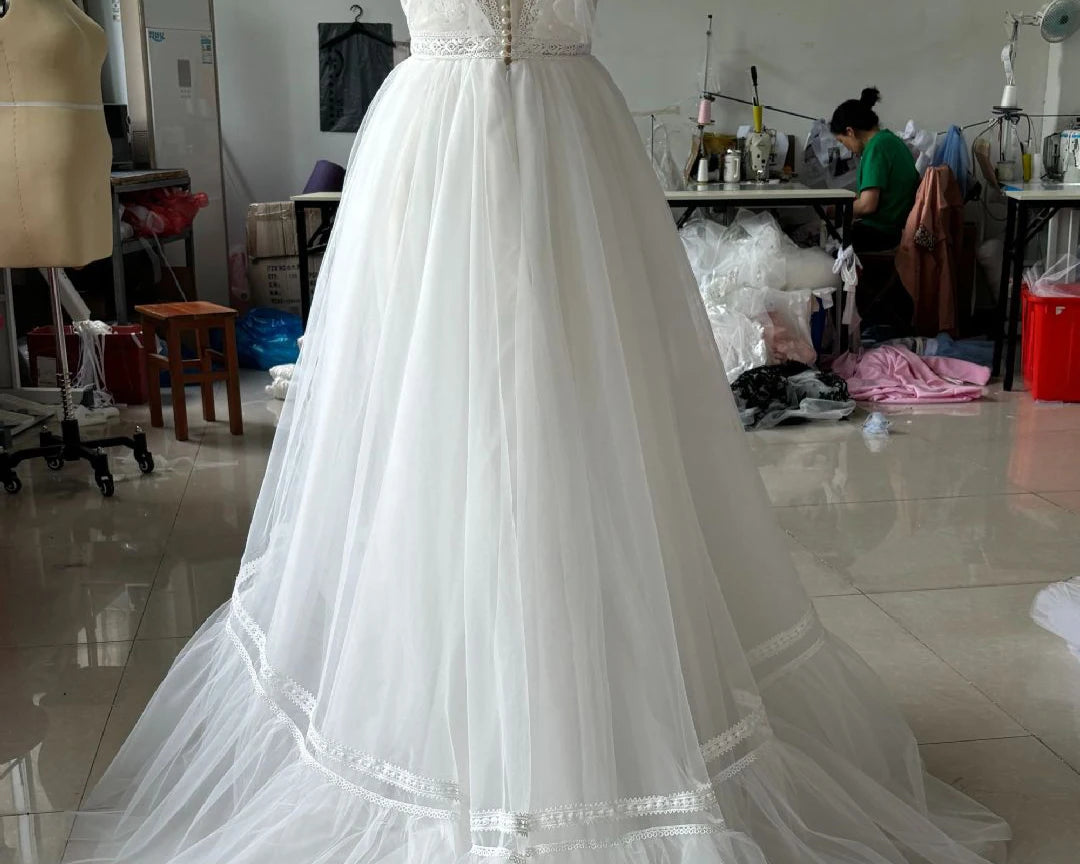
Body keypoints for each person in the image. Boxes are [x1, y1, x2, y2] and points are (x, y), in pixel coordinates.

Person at [64, 4, 1008, 863]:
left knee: (590, 419)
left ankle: (597, 695)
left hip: (566, 151)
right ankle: (438, 709)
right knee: (433, 425)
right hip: (443, 148)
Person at [831, 87, 921, 340]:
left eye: (842, 142)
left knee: (828, 251)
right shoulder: (889, 141)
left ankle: (843, 328)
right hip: (894, 225)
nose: (847, 148)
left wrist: (834, 211)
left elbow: (869, 204)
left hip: (883, 230)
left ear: (850, 131)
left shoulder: (876, 148)